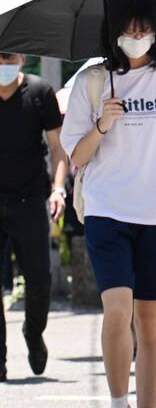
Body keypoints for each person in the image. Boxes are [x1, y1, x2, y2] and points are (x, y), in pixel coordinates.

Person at [60, 0, 156, 408]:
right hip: (107, 212)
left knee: (151, 323)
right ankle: (117, 401)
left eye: (144, 26)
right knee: (117, 309)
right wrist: (103, 124)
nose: (136, 34)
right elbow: (76, 155)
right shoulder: (91, 83)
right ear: (113, 30)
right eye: (128, 27)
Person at [0, 52, 68, 382]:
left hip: (30, 198)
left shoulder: (40, 93)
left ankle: (33, 332)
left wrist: (58, 189)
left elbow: (57, 148)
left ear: (21, 58)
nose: (2, 64)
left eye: (7, 57)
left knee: (39, 278)